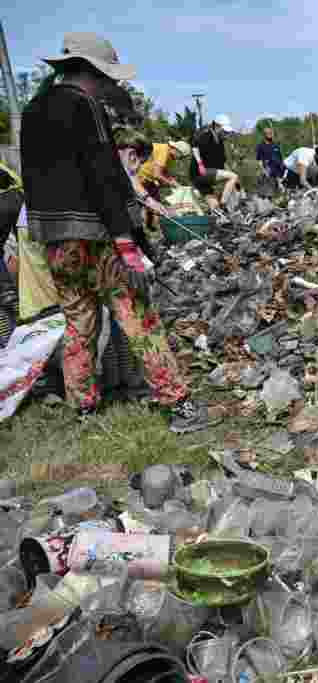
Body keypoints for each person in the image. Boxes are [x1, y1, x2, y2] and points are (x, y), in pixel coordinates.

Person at [20, 31, 211, 432]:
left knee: (78, 321)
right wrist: (127, 242)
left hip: (56, 240)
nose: (111, 85)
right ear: (94, 72)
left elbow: (40, 179)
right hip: (98, 237)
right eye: (108, 77)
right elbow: (102, 175)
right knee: (137, 317)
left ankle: (84, 408)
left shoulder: (35, 109)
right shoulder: (85, 106)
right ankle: (178, 404)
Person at [190, 114, 240, 214]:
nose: (226, 134)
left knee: (215, 208)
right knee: (233, 176)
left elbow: (223, 163)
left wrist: (235, 183)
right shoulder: (206, 135)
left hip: (204, 180)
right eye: (224, 131)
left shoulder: (220, 143)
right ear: (216, 127)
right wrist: (200, 164)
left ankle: (215, 221)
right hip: (200, 172)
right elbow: (194, 146)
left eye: (227, 132)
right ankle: (224, 204)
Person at [137, 139, 189, 230]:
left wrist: (176, 184)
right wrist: (172, 184)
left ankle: (151, 228)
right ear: (176, 150)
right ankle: (141, 228)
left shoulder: (171, 157)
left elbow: (165, 173)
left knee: (155, 202)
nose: (180, 159)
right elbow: (157, 174)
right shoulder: (164, 150)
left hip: (149, 179)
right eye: (181, 156)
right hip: (140, 176)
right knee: (144, 203)